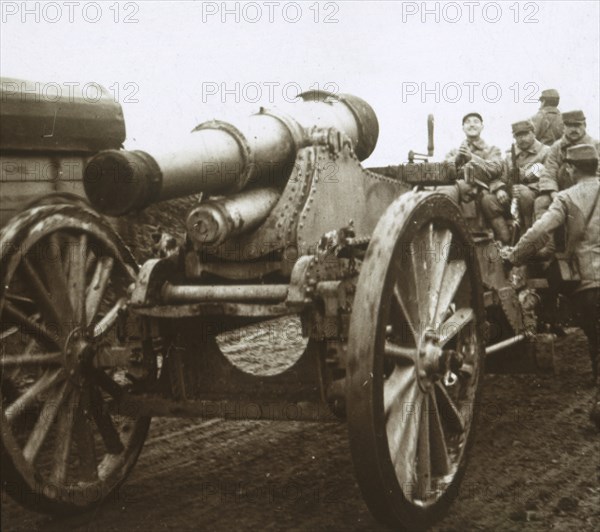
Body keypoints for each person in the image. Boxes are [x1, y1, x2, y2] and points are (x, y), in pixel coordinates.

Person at [501, 144, 600, 430]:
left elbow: (539, 231)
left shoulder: (566, 198)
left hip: (586, 285)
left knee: (596, 340)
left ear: (569, 169)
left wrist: (515, 255)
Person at [445, 113, 509, 243]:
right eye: (468, 122)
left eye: (476, 121)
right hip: (459, 190)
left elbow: (496, 168)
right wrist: (456, 160)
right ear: (463, 127)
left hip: (483, 190)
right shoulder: (454, 152)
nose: (472, 124)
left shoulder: (492, 150)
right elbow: (445, 171)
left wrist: (471, 158)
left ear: (482, 127)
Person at [504, 120, 550, 229]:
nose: (522, 138)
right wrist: (506, 189)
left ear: (533, 133)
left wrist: (527, 187)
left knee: (524, 194)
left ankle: (528, 233)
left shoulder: (546, 152)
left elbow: (549, 178)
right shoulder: (510, 155)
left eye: (525, 134)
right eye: (518, 135)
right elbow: (503, 178)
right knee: (489, 200)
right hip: (514, 197)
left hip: (539, 194)